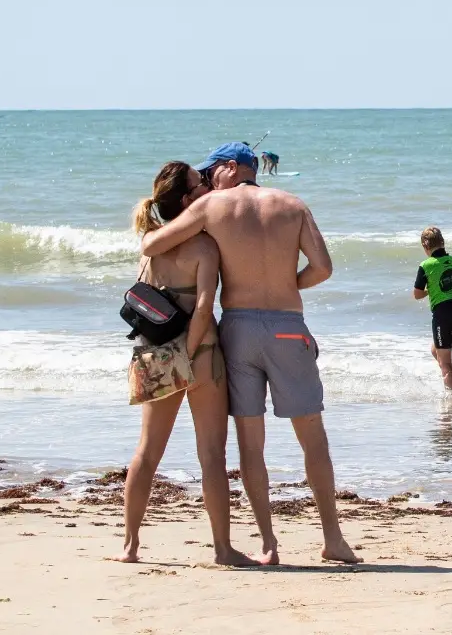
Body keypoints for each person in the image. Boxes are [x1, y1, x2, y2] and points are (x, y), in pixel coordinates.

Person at [140, 142, 360, 565]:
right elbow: (323, 269)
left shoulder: (212, 208)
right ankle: (333, 539)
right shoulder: (293, 204)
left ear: (228, 168)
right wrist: (285, 283)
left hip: (239, 329)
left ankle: (268, 544)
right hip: (287, 328)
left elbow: (153, 245)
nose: (205, 182)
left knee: (250, 444)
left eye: (209, 173)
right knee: (312, 436)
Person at [119, 162, 257, 566]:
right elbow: (201, 309)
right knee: (212, 455)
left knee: (147, 452)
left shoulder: (150, 245)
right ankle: (223, 549)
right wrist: (191, 353)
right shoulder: (203, 247)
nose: (206, 188)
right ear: (186, 199)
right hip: (201, 358)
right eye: (199, 185)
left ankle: (130, 545)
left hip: (154, 356)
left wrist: (173, 356)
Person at [411, 226, 452, 391]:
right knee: (437, 350)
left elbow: (417, 294)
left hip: (442, 315)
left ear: (425, 246)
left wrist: (432, 289)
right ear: (443, 242)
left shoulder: (426, 265)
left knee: (445, 363)